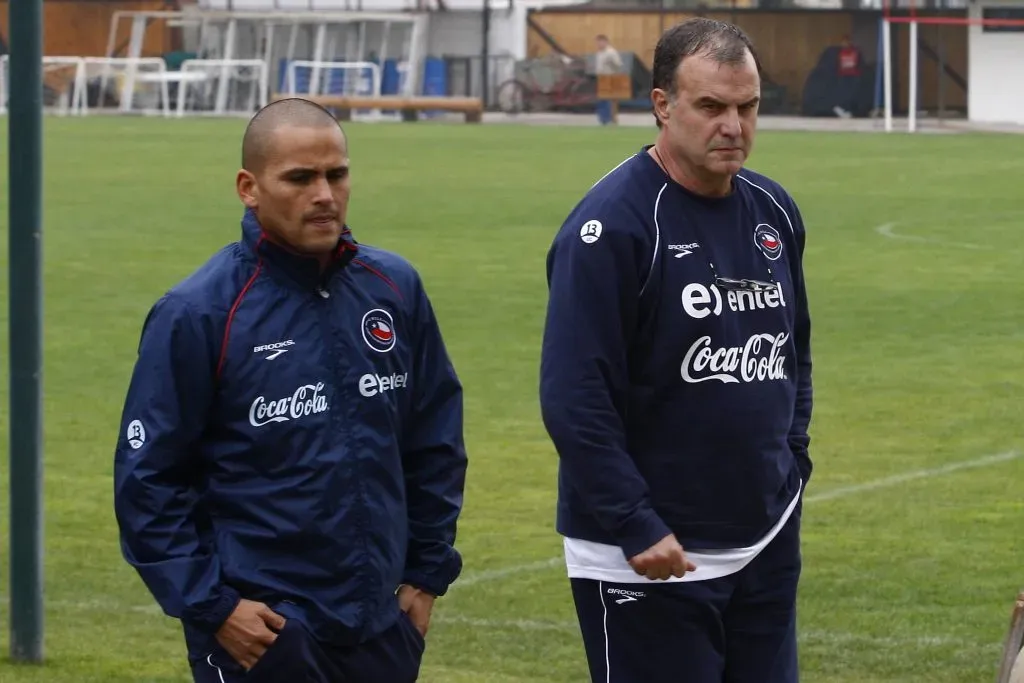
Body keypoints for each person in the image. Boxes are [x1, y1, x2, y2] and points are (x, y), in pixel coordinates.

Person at [113, 97, 468, 683]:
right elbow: (148, 479)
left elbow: (433, 444)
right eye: (300, 178)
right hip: (264, 630)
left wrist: (427, 576)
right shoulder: (198, 312)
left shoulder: (394, 288)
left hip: (380, 624)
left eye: (337, 173)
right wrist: (214, 606)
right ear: (249, 187)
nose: (324, 194)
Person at [540, 18, 813, 683]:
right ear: (662, 105)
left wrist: (792, 464)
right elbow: (575, 398)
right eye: (712, 106)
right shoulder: (613, 227)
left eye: (748, 107)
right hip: (651, 556)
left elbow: (793, 351)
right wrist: (634, 521)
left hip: (763, 545)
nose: (734, 126)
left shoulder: (772, 210)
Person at [594, 34, 624, 125]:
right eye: (597, 42)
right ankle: (602, 119)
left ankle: (609, 119)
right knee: (601, 99)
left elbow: (618, 65)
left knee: (608, 100)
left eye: (600, 42)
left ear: (605, 42)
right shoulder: (599, 53)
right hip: (601, 78)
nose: (599, 44)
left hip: (609, 78)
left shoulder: (611, 52)